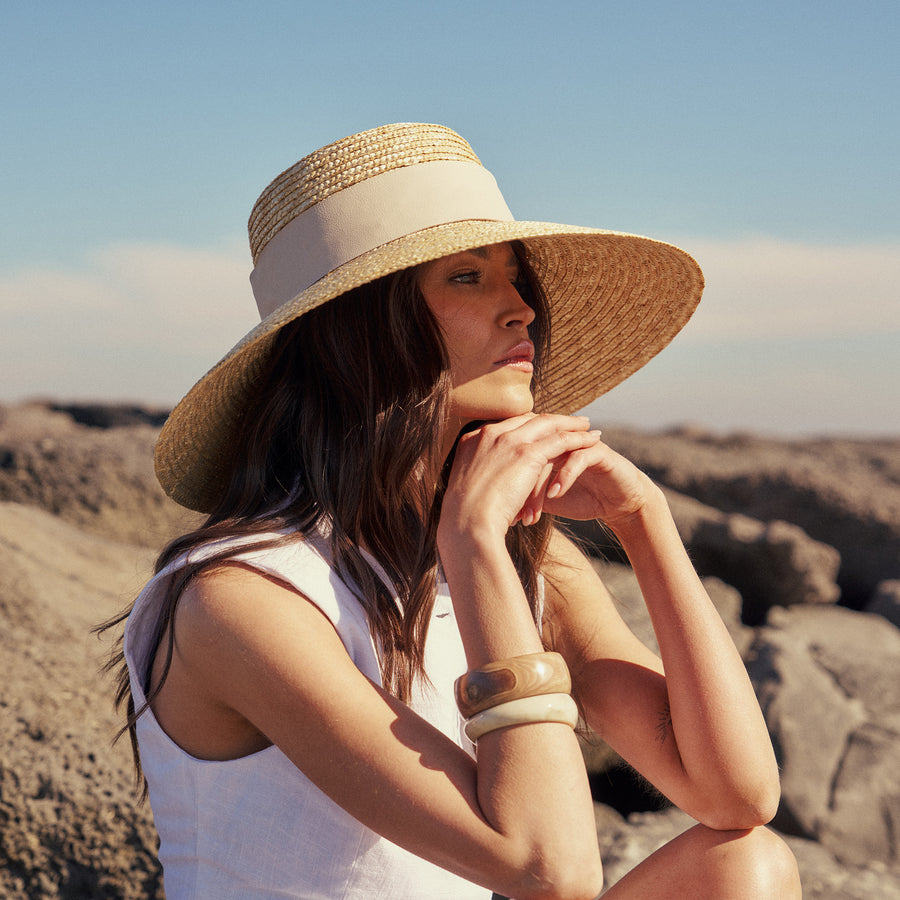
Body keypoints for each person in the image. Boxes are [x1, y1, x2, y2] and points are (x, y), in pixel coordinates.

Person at [100, 123, 801, 898]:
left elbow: (739, 795)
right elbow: (548, 869)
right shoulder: (237, 601)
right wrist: (470, 537)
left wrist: (644, 520)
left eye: (515, 276)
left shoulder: (528, 561)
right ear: (357, 335)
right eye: (467, 277)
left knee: (747, 866)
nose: (521, 310)